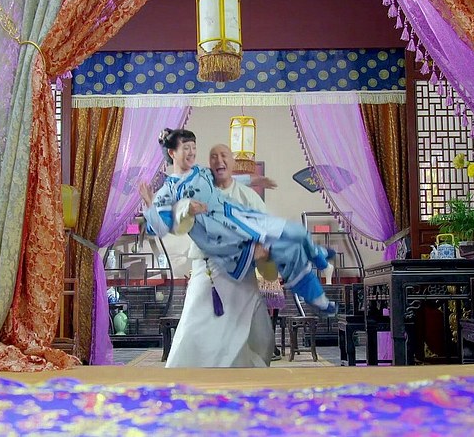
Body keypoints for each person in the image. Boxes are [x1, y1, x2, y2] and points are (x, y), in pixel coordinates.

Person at [140, 128, 338, 316]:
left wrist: (254, 180)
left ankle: (317, 256)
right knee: (288, 251)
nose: (191, 152)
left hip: (238, 215)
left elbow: (225, 179)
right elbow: (161, 228)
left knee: (296, 231)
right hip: (221, 235)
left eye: (193, 147)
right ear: (172, 152)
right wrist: (150, 206)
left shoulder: (201, 171)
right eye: (186, 148)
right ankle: (319, 300)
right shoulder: (169, 190)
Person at [164, 143, 275, 367]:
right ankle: (186, 378)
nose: (219, 160)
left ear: (232, 162)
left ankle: (245, 380)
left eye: (224, 155)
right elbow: (177, 220)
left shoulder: (248, 196)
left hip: (242, 275)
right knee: (196, 332)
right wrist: (187, 209)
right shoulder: (199, 191)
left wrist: (265, 250)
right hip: (208, 273)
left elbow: (268, 232)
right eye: (213, 156)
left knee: (261, 338)